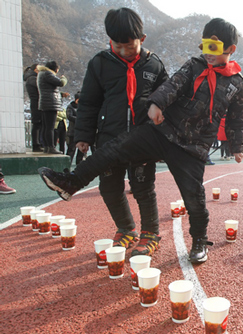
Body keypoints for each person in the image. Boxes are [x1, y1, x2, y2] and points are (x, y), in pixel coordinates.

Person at [39, 17, 243, 264]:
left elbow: (236, 118)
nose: (207, 53)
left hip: (193, 147)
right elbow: (173, 85)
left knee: (194, 197)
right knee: (114, 149)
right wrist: (157, 104)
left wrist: (237, 146)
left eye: (213, 47)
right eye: (204, 46)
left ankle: (199, 240)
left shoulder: (238, 83)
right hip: (162, 131)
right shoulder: (193, 66)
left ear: (230, 49)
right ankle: (72, 181)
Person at [72, 8, 169, 257]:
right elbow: (89, 102)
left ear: (142, 39)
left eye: (130, 46)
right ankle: (126, 229)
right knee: (110, 188)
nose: (125, 51)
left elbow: (167, 99)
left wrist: (162, 136)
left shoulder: (154, 65)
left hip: (142, 140)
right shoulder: (99, 64)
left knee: (143, 188)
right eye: (118, 46)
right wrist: (83, 135)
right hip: (108, 140)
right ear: (109, 40)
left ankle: (150, 233)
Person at [37, 61, 68, 154]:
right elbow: (61, 83)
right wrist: (63, 78)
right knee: (50, 127)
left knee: (46, 127)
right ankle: (51, 147)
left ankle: (46, 146)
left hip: (45, 102)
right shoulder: (48, 74)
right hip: (50, 103)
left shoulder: (41, 74)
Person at [23, 64, 43, 152]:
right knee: (37, 124)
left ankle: (38, 143)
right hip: (36, 103)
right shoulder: (32, 79)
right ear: (35, 70)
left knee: (38, 124)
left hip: (36, 103)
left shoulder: (30, 78)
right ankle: (36, 144)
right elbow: (41, 88)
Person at [66, 92, 84, 165]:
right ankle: (67, 163)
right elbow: (69, 116)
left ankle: (79, 163)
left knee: (81, 150)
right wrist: (79, 119)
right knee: (71, 149)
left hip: (82, 132)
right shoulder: (70, 107)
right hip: (73, 131)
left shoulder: (83, 107)